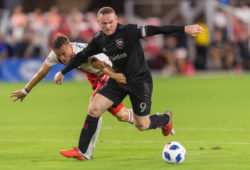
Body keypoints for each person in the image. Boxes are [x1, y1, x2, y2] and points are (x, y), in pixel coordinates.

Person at [54, 7, 204, 160]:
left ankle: (165, 119)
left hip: (140, 81)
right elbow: (81, 56)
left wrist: (185, 28)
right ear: (99, 23)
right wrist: (63, 72)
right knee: (94, 107)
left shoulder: (129, 31)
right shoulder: (99, 39)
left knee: (142, 125)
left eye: (111, 22)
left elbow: (155, 29)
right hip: (118, 80)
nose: (108, 26)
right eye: (104, 23)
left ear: (116, 20)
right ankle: (82, 151)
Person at [10, 34, 135, 159]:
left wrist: (115, 76)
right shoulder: (56, 54)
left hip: (108, 71)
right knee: (122, 115)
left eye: (64, 54)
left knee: (94, 106)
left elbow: (100, 64)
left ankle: (86, 152)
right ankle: (153, 120)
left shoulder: (82, 52)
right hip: (94, 76)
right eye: (59, 55)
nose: (62, 58)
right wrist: (25, 91)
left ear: (70, 47)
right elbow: (42, 72)